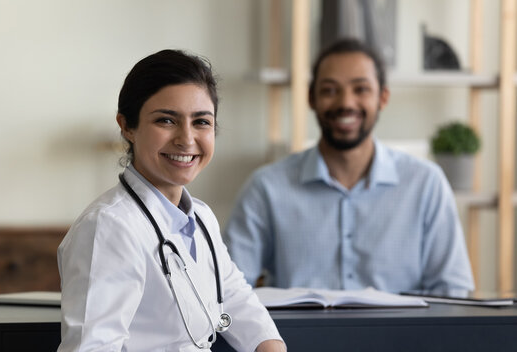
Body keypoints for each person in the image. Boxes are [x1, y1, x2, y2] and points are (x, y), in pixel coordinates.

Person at [57, 50, 286, 352]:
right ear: (127, 126)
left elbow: (235, 298)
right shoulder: (109, 227)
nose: (187, 139)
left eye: (201, 122)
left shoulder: (201, 218)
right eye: (166, 120)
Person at [224, 38, 474, 297]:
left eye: (361, 89)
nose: (346, 103)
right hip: (294, 338)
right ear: (311, 98)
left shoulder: (426, 184)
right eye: (330, 90)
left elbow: (452, 291)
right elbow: (230, 291)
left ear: (383, 97)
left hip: (404, 338)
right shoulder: (266, 187)